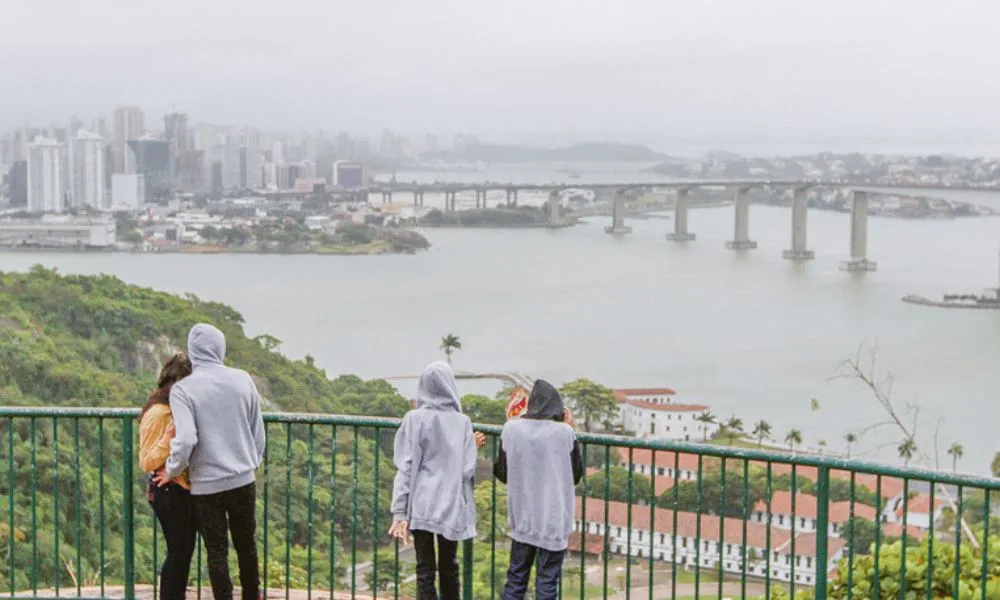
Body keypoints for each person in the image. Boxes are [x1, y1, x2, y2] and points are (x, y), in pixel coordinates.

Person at [155, 324, 266, 600]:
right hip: (243, 478)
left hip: (206, 486)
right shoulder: (243, 380)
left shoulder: (183, 390)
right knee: (246, 546)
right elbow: (258, 431)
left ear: (193, 352)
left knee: (217, 551)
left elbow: (186, 439)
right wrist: (251, 463)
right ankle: (252, 595)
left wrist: (172, 470)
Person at [388, 361, 486, 600]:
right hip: (450, 503)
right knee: (449, 566)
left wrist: (399, 511)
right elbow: (465, 471)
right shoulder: (462, 422)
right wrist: (472, 447)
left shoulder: (413, 419)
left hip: (421, 502)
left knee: (424, 568)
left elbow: (406, 467)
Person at [493, 379, 584, 600]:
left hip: (523, 516)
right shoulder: (565, 433)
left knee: (516, 578)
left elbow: (502, 473)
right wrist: (570, 427)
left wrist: (512, 423)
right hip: (553, 519)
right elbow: (575, 475)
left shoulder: (512, 429)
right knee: (547, 582)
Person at [139, 352, 195, 600]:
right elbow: (147, 460)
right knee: (178, 551)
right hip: (167, 490)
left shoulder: (174, 407)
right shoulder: (158, 413)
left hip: (179, 488)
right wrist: (168, 438)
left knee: (182, 550)